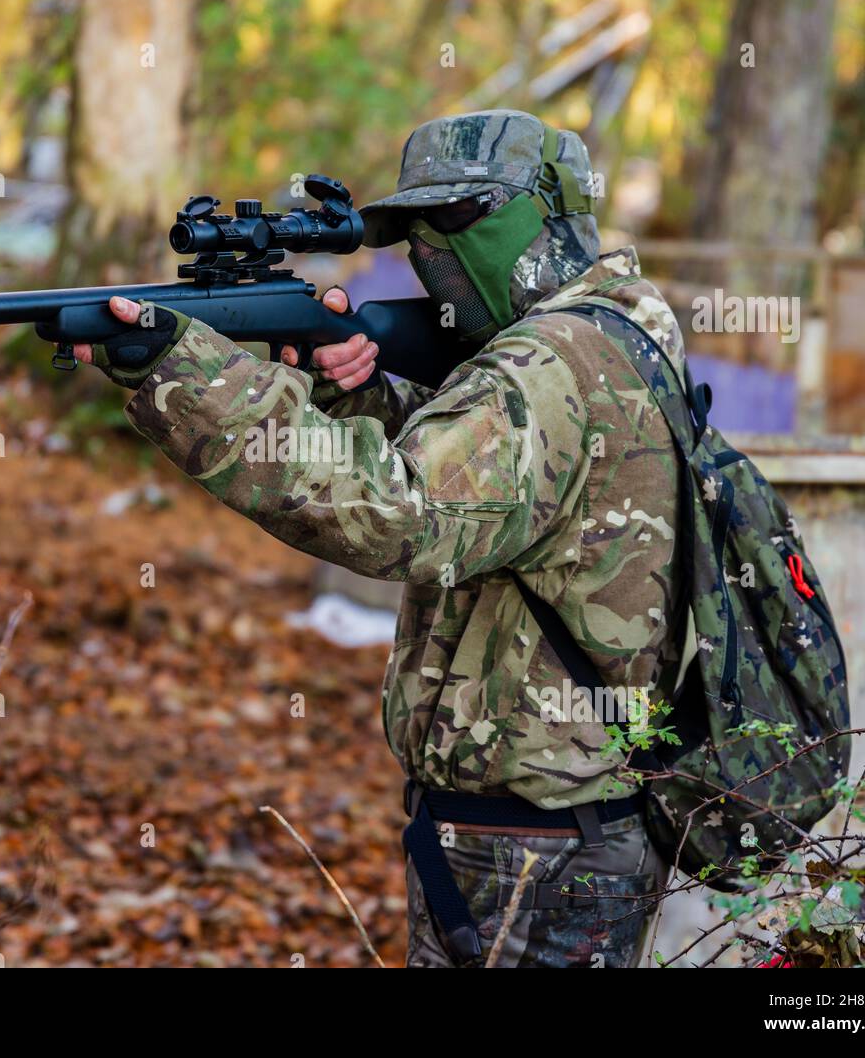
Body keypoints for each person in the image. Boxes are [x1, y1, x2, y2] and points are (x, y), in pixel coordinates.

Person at [79, 110, 686, 967]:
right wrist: (344, 395)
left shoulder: (553, 361)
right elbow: (494, 500)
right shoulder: (615, 331)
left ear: (544, 213)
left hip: (540, 845)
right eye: (416, 234)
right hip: (551, 826)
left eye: (460, 223)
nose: (432, 253)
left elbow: (400, 516)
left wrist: (189, 374)